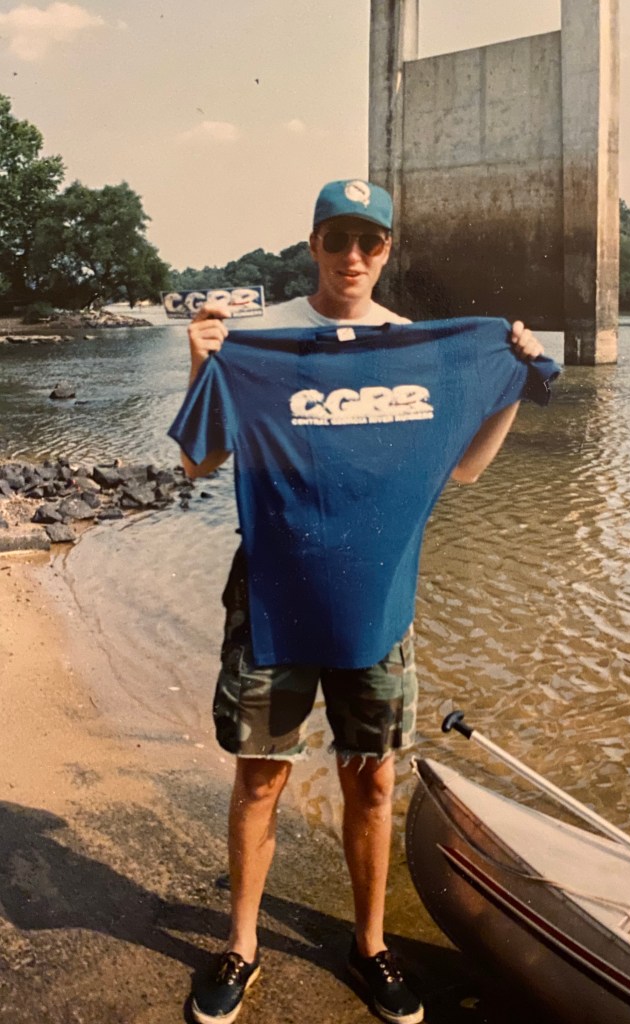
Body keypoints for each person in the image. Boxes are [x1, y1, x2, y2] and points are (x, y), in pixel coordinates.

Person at [173, 179, 548, 1024]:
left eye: (369, 242)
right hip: (272, 597)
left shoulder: (420, 352)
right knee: (261, 777)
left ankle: (371, 944)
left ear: (387, 251)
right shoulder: (260, 340)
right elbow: (200, 463)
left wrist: (512, 379)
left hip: (378, 606)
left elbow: (466, 469)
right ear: (313, 243)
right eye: (337, 239)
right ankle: (241, 945)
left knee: (372, 782)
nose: (352, 256)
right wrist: (203, 364)